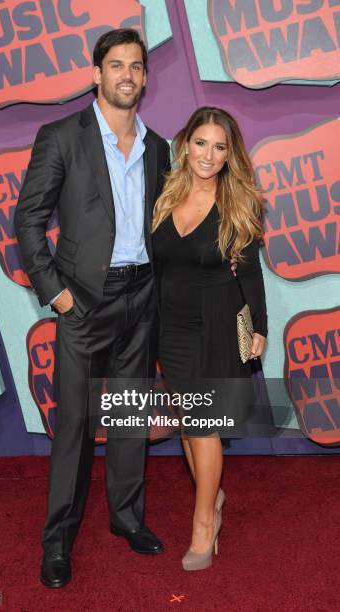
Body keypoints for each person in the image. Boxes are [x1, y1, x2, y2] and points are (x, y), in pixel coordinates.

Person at [14, 29, 170, 588]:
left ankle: (127, 519)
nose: (126, 74)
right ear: (97, 74)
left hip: (142, 298)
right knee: (76, 424)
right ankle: (57, 540)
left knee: (129, 417)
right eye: (115, 64)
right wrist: (56, 294)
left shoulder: (160, 148)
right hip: (82, 302)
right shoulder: (61, 137)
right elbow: (27, 221)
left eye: (135, 65)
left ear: (146, 77)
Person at [152, 107, 268, 571]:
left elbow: (253, 271)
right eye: (201, 143)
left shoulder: (238, 202)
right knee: (187, 421)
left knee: (203, 425)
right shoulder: (164, 194)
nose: (208, 154)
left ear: (229, 154)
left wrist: (258, 327)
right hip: (169, 326)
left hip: (216, 324)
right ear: (186, 144)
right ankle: (211, 490)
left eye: (220, 147)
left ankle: (204, 522)